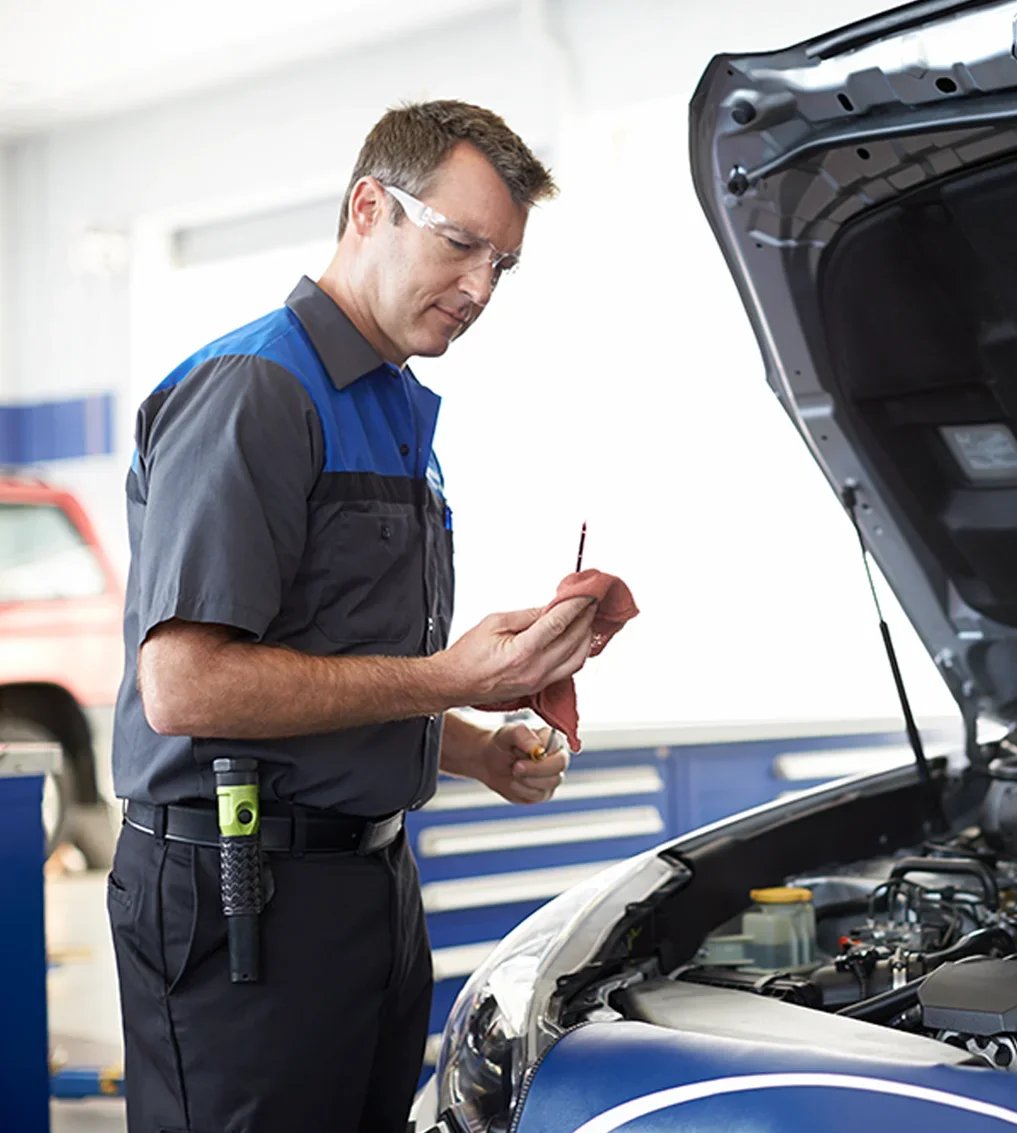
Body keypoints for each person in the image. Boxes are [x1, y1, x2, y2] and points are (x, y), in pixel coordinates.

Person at [107, 100, 593, 1133]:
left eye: (502, 265)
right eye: (460, 245)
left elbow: (327, 664)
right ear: (369, 207)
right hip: (240, 893)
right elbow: (186, 685)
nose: (478, 289)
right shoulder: (257, 389)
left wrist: (473, 749)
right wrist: (451, 681)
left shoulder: (389, 401)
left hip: (366, 883)